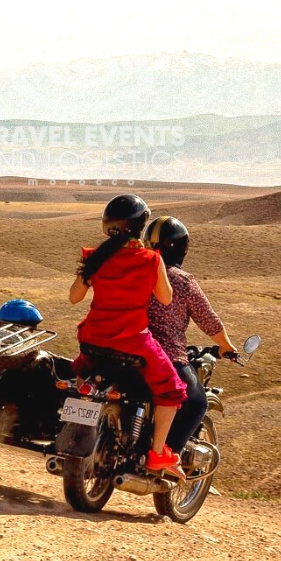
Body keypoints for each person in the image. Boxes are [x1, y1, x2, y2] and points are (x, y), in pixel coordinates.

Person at [69, 194, 188, 479]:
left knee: (81, 374)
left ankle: (74, 425)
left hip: (93, 339)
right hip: (133, 341)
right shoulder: (151, 259)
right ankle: (158, 452)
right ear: (139, 226)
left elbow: (74, 297)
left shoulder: (94, 257)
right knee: (173, 389)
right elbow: (166, 297)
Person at [145, 215, 238, 456]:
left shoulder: (134, 270)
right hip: (165, 353)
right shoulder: (182, 280)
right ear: (181, 247)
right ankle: (166, 456)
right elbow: (208, 320)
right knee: (197, 403)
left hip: (123, 344)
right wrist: (227, 346)